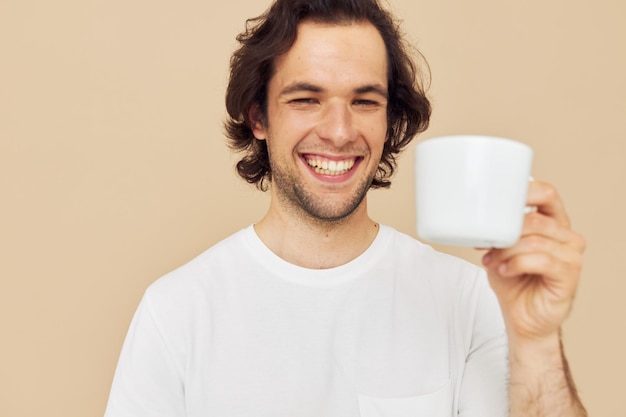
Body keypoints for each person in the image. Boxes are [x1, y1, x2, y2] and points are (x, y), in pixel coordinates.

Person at [104, 0, 587, 415]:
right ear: (258, 116)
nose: (338, 131)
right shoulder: (176, 312)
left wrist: (538, 341)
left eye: (364, 101)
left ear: (389, 119)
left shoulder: (470, 299)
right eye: (306, 98)